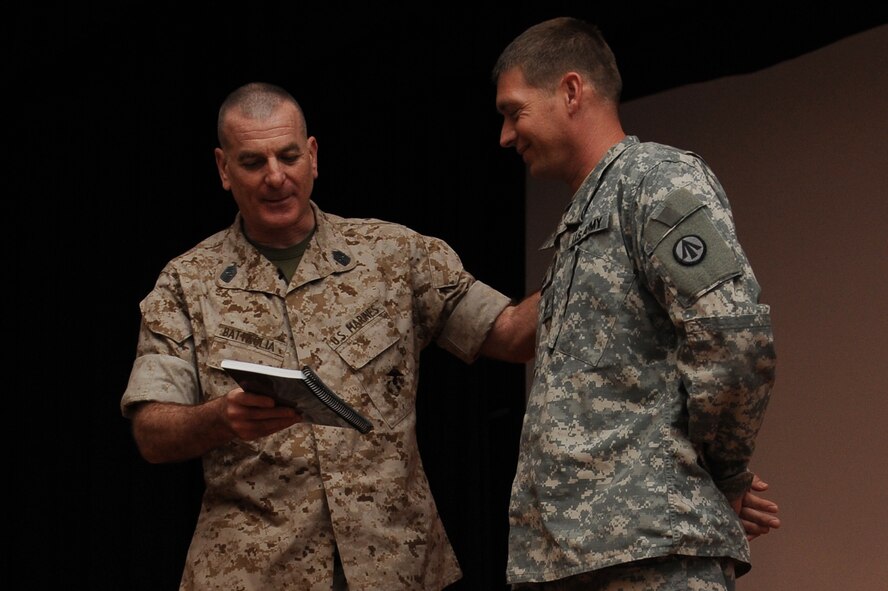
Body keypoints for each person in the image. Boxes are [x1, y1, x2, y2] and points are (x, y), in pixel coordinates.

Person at [120, 81, 538, 590]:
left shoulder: (393, 254)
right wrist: (220, 418)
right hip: (254, 574)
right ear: (224, 169)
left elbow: (513, 336)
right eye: (252, 162)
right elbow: (151, 434)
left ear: (313, 156)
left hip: (394, 567)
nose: (276, 176)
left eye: (289, 156)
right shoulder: (187, 282)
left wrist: (585, 254)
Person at [491, 17, 779, 590]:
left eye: (513, 111)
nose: (505, 135)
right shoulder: (580, 224)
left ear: (571, 91)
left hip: (651, 555)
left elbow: (734, 338)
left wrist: (722, 473)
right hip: (571, 558)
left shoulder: (655, 181)